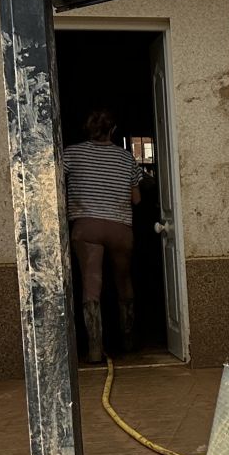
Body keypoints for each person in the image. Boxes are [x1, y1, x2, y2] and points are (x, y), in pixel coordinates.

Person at [62, 110, 142, 364]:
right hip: (120, 227)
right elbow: (136, 199)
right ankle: (128, 341)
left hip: (87, 227)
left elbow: (51, 184)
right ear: (113, 130)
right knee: (123, 280)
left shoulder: (71, 153)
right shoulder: (126, 157)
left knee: (91, 283)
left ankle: (95, 348)